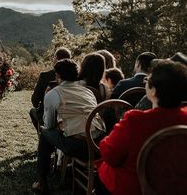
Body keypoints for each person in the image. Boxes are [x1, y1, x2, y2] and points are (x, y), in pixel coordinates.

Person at [97, 60, 187, 195]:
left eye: (147, 80)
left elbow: (109, 155)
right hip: (178, 186)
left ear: (154, 91)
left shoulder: (135, 120)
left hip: (137, 187)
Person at [32, 59, 103, 194]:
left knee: (45, 133)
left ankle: (42, 181)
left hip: (78, 146)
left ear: (58, 75)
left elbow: (49, 124)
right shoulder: (88, 91)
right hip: (99, 144)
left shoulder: (54, 93)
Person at [29, 47, 71, 132]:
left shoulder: (45, 76)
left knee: (33, 111)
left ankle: (41, 134)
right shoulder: (76, 77)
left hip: (49, 116)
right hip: (69, 117)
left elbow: (35, 101)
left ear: (56, 58)